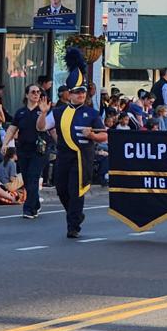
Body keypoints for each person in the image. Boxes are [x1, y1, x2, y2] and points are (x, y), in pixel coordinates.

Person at [37, 48, 106, 238]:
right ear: (69, 93)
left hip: (82, 157)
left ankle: (73, 226)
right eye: (77, 92)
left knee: (76, 191)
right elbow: (42, 128)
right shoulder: (59, 112)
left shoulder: (92, 114)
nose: (81, 95)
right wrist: (43, 113)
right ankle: (74, 214)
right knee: (61, 189)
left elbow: (104, 136)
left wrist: (92, 136)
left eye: (83, 91)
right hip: (64, 156)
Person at [2, 83, 49, 219]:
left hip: (38, 150)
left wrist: (44, 113)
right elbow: (12, 129)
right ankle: (35, 204)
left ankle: (28, 209)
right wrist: (5, 143)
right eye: (33, 92)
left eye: (38, 92)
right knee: (27, 180)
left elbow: (42, 127)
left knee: (33, 177)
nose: (36, 94)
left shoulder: (42, 111)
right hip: (23, 149)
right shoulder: (20, 112)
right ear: (27, 94)